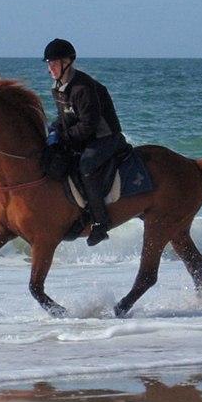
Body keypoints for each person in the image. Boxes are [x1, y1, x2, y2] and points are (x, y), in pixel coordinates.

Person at [43, 38, 128, 246]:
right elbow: (66, 119)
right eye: (48, 64)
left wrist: (63, 137)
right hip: (86, 135)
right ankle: (79, 215)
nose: (50, 69)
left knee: (85, 165)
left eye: (53, 64)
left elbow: (88, 125)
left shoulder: (82, 87)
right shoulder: (59, 86)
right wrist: (53, 131)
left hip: (105, 137)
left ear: (67, 62)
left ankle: (101, 222)